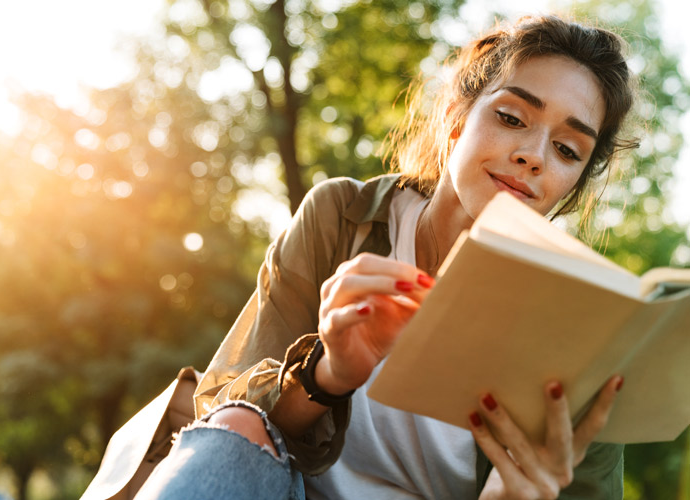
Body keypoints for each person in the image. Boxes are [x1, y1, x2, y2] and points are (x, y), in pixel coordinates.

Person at [134, 14, 638, 500]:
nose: (534, 155)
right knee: (240, 422)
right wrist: (328, 375)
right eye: (511, 117)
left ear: (573, 184)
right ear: (455, 119)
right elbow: (222, 415)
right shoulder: (341, 218)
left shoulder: (579, 328)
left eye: (568, 150)